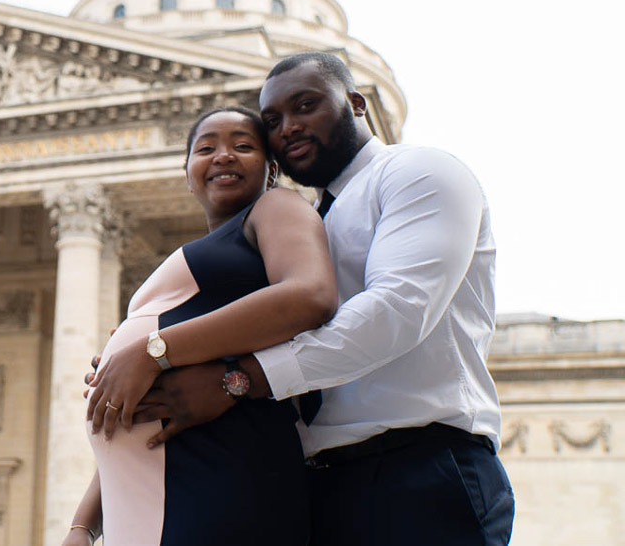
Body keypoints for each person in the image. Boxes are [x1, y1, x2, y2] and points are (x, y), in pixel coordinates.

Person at [131, 52, 514, 545]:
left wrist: (238, 379)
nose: (288, 127)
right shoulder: (300, 224)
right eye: (272, 121)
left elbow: (397, 311)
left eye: (306, 105)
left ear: (356, 103)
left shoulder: (419, 171)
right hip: (319, 487)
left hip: (420, 468)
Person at [63, 106, 338, 546]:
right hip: (146, 502)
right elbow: (138, 409)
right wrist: (84, 525)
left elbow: (311, 296)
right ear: (188, 173)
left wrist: (151, 349)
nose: (224, 155)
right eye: (206, 148)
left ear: (271, 170)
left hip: (217, 478)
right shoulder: (210, 252)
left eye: (243, 146)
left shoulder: (275, 207)